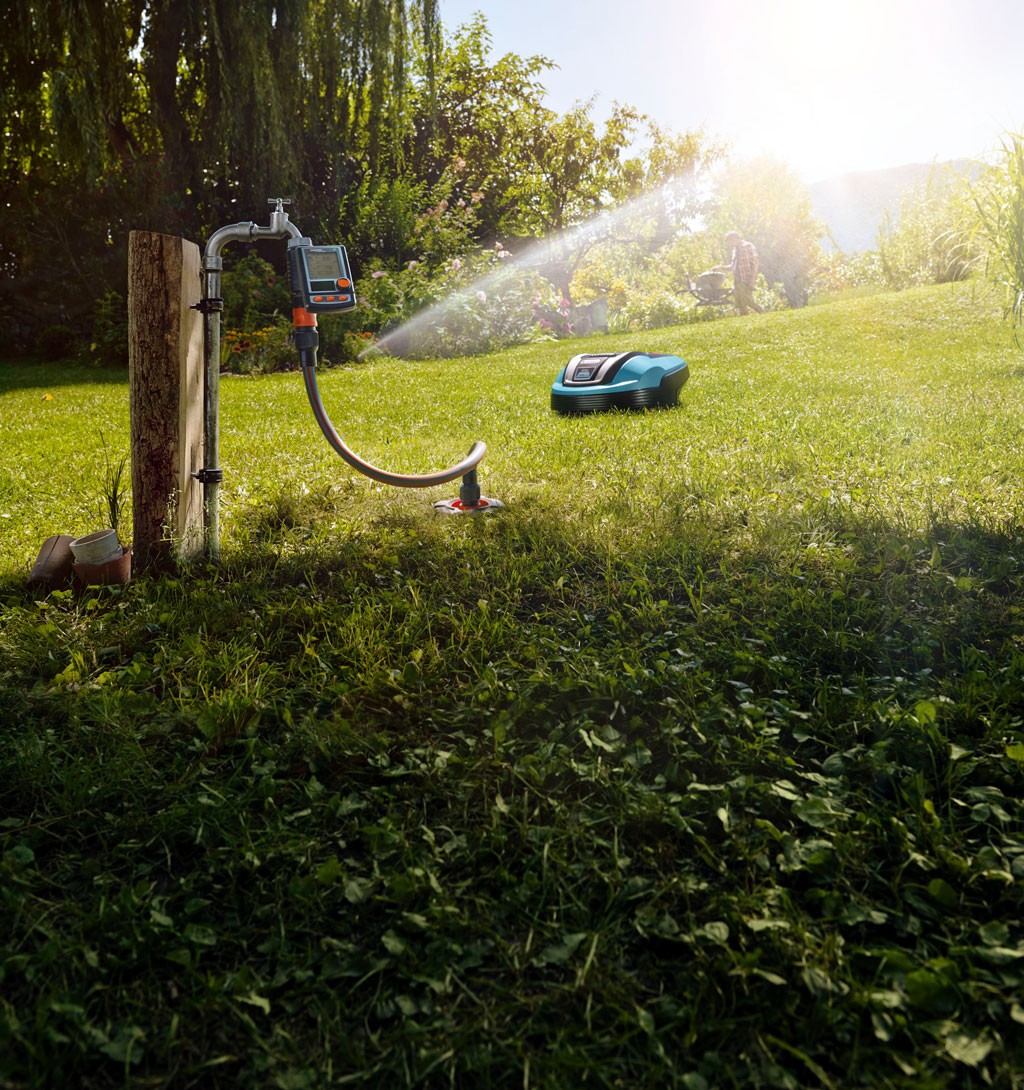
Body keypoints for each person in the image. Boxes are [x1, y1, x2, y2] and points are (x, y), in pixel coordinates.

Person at [714, 231, 764, 315]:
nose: (730, 243)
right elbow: (732, 267)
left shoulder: (747, 246)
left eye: (731, 241)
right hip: (737, 281)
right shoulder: (735, 250)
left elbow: (755, 264)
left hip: (745, 279)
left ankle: (764, 314)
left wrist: (752, 280)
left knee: (748, 301)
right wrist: (720, 268)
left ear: (736, 238)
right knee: (740, 304)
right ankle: (745, 322)